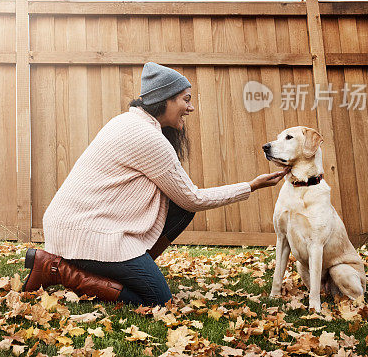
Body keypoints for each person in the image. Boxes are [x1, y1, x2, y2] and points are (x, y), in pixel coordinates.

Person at [22, 62, 288, 306]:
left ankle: (122, 271)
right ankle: (57, 269)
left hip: (74, 226)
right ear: (165, 100)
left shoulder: (128, 122)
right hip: (86, 232)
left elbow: (183, 202)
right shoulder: (147, 136)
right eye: (186, 99)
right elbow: (191, 198)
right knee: (158, 299)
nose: (191, 107)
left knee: (181, 211)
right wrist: (251, 186)